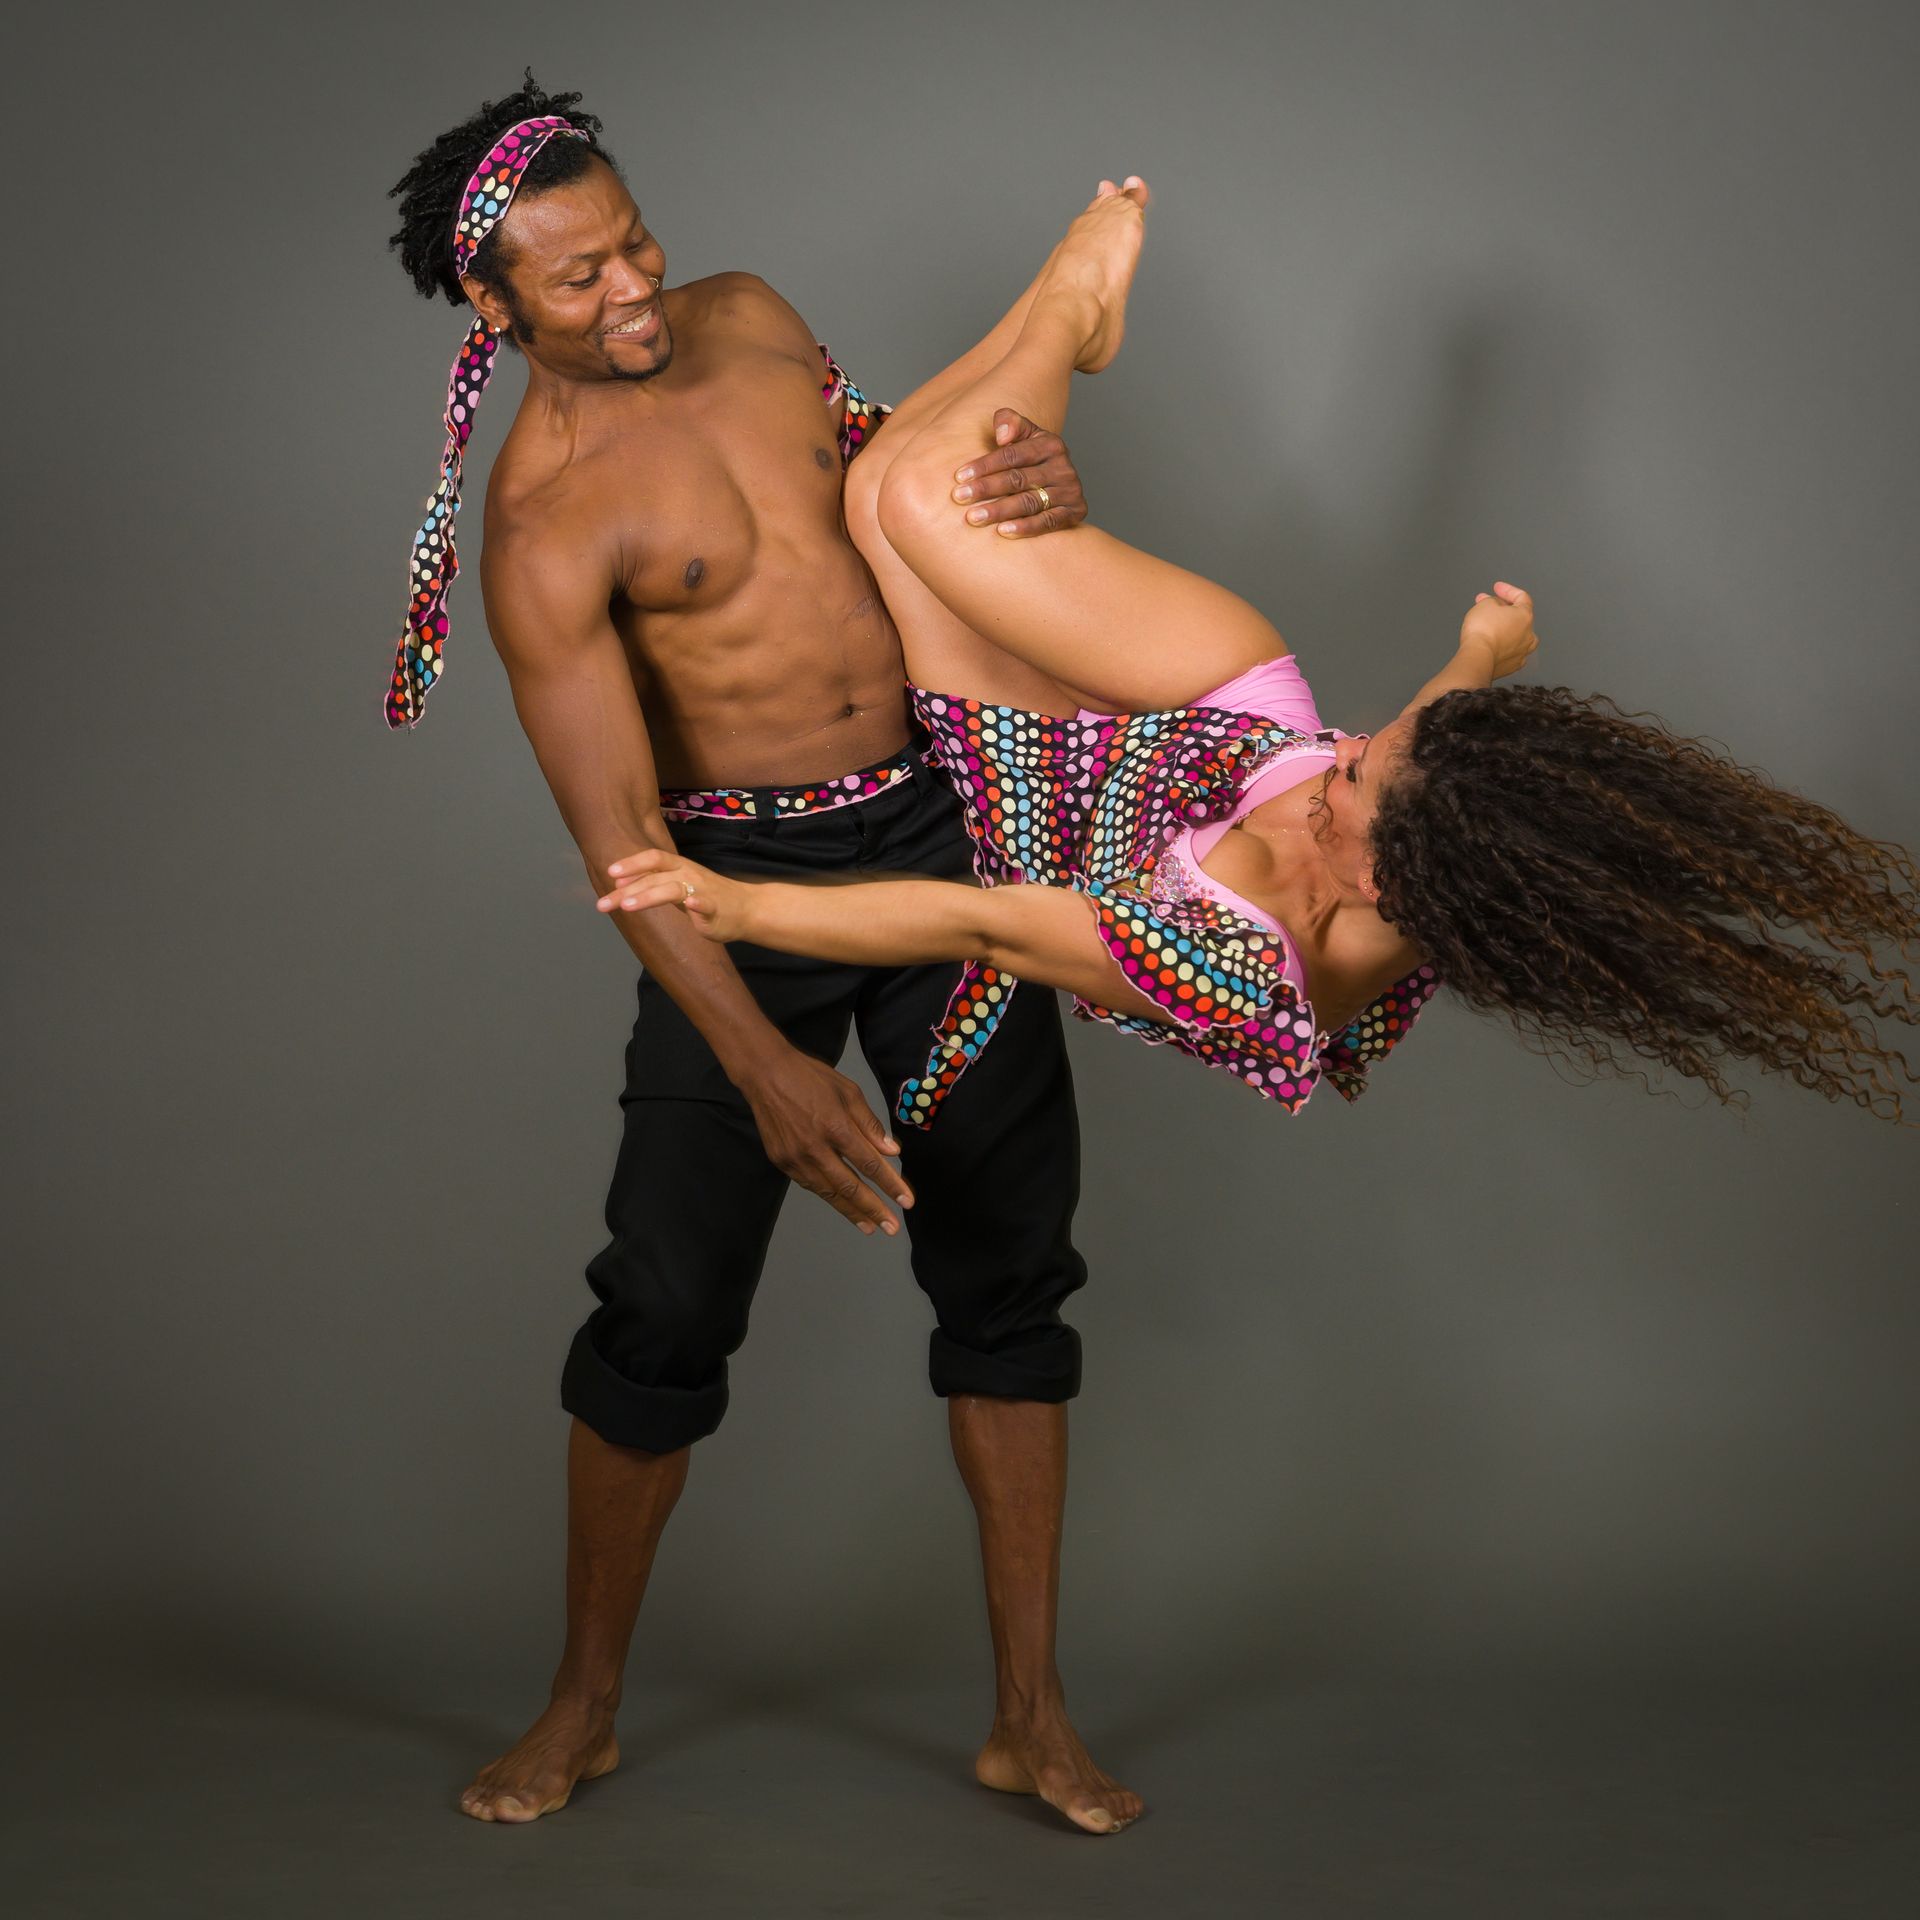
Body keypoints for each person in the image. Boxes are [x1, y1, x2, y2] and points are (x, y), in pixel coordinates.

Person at [384, 78, 1146, 1833]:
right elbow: (623, 851)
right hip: (737, 896)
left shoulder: (752, 317)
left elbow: (891, 498)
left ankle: (1030, 1718)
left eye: (634, 240)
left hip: (943, 851)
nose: (635, 287)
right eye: (578, 278)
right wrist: (762, 1067)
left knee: (1012, 1279)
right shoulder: (546, 525)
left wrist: (1031, 483)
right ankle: (581, 1709)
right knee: (662, 1306)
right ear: (491, 307)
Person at [600, 180, 1920, 1129]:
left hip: (1050, 807)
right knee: (945, 503)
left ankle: (1066, 312)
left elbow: (979, 920)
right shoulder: (1423, 820)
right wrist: (1476, 658)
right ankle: (1070, 313)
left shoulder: (1242, 978)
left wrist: (744, 907)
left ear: (1391, 891)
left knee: (883, 496)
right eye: (1370, 746)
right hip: (1212, 703)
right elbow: (1433, 778)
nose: (1342, 754)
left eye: (1348, 782)